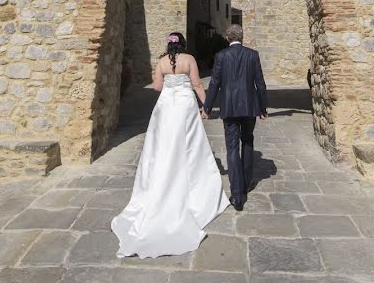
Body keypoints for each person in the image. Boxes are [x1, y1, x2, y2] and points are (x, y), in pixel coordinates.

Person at [112, 32, 229, 259]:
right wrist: (207, 106)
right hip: (184, 105)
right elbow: (196, 84)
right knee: (190, 144)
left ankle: (164, 170)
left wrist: (168, 81)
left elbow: (156, 87)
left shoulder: (162, 61)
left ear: (168, 44)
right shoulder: (190, 60)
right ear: (183, 44)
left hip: (166, 106)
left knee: (162, 144)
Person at [202, 24, 268, 211]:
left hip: (229, 107)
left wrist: (207, 107)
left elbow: (214, 83)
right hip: (249, 107)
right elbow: (260, 83)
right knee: (247, 142)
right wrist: (263, 107)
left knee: (232, 148)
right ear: (242, 37)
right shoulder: (252, 55)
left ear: (228, 38)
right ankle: (246, 184)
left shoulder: (221, 56)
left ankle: (237, 195)